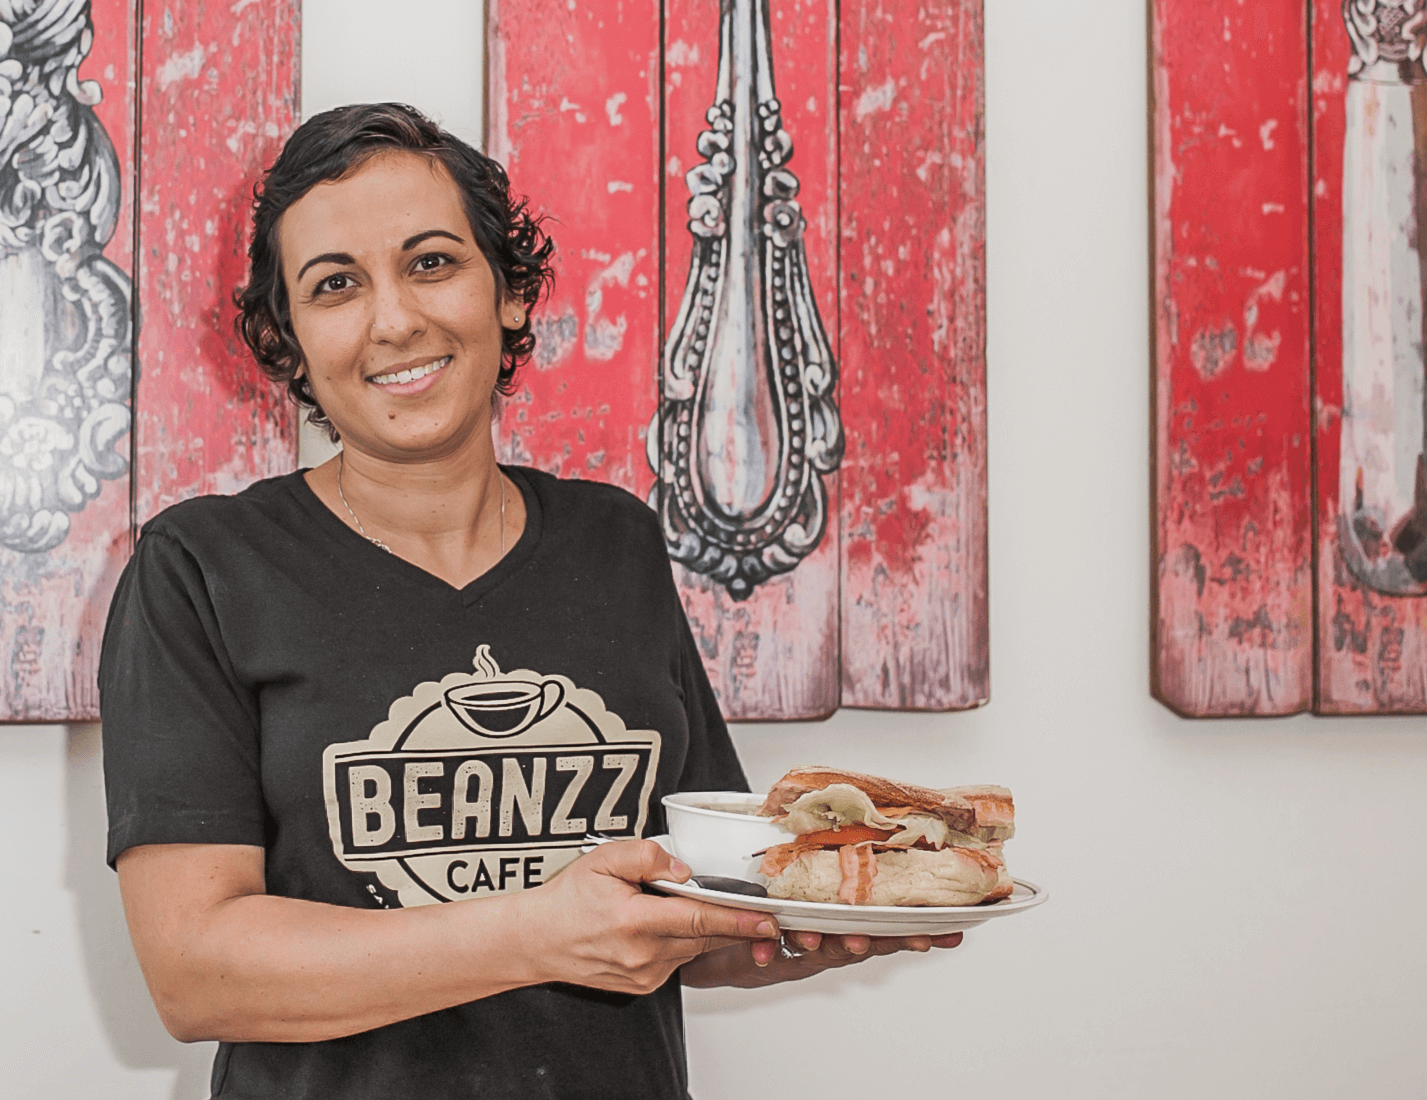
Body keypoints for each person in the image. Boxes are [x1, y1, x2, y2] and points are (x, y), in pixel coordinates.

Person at [99, 102, 960, 1100]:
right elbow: (197, 971)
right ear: (287, 339)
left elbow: (676, 902)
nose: (393, 319)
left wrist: (823, 915)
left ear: (508, 291)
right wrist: (532, 929)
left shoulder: (614, 541)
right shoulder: (202, 567)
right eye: (335, 285)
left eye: (431, 263)